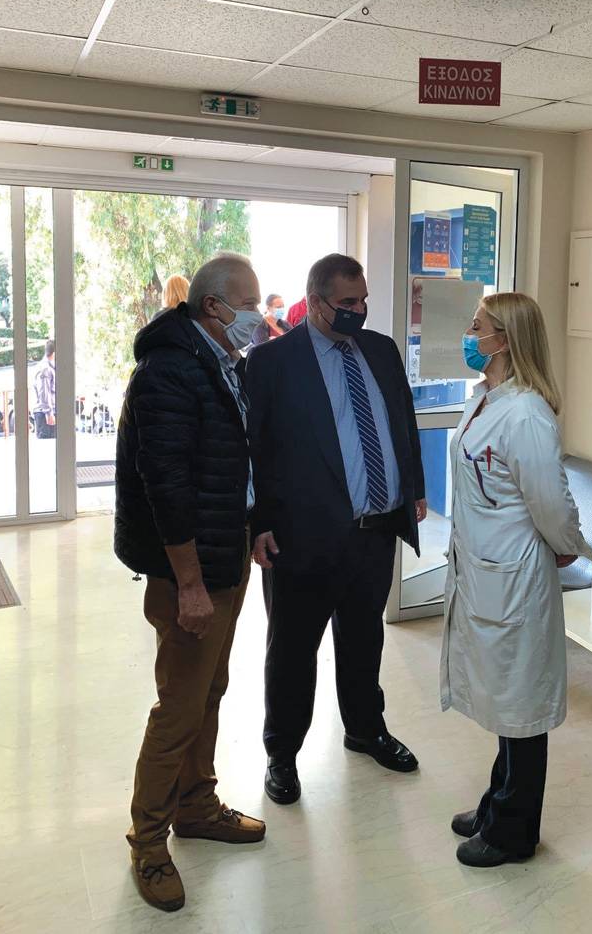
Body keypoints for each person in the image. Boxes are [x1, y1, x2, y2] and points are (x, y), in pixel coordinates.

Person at [115, 252, 266, 913]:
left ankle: (196, 805)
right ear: (213, 306)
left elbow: (232, 463)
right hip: (192, 572)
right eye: (249, 304)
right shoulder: (169, 371)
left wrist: (255, 526)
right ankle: (148, 844)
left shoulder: (221, 361)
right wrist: (190, 584)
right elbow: (168, 485)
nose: (258, 317)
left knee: (209, 690)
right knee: (178, 707)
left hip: (225, 556)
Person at [246, 253, 426, 805]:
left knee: (364, 638)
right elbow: (254, 450)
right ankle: (282, 753)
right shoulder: (272, 361)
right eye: (347, 302)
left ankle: (365, 729)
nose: (358, 310)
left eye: (363, 300)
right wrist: (257, 523)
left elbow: (403, 422)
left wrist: (414, 489)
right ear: (315, 302)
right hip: (301, 537)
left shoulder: (381, 350)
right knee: (293, 650)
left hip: (374, 531)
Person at [441, 292, 592, 868]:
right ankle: (496, 803)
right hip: (487, 571)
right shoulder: (485, 399)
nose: (469, 334)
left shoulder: (527, 413)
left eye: (477, 326)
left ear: (503, 340)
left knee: (522, 707)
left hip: (515, 577)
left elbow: (551, 503)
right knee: (507, 699)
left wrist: (566, 545)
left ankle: (513, 832)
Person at [32, 340, 56, 438]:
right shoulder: (45, 369)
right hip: (45, 414)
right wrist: (49, 414)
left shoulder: (48, 367)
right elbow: (44, 392)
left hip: (46, 413)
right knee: (48, 444)